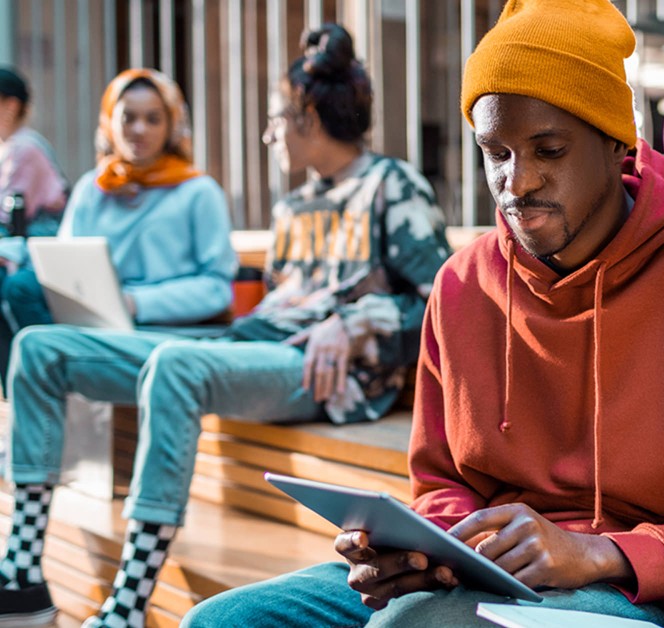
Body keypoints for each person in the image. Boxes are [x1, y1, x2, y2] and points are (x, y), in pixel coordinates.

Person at [184, 1, 664, 627]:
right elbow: (441, 483)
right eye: (496, 152)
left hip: (633, 588)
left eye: (547, 149)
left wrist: (599, 551)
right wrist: (417, 547)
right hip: (477, 575)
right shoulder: (462, 284)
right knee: (222, 622)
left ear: (614, 141)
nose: (517, 182)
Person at [0, 24, 450, 628]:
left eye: (275, 120)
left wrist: (355, 321)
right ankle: (23, 573)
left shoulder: (393, 185)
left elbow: (443, 304)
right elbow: (281, 303)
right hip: (259, 346)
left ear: (308, 120)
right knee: (38, 349)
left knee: (175, 365)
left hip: (328, 378)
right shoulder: (294, 204)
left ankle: (129, 603)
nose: (269, 134)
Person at [0, 68, 236, 389]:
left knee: (39, 356)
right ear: (110, 121)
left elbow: (217, 289)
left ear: (171, 127)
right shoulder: (93, 188)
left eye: (153, 119)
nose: (139, 129)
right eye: (128, 118)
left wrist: (135, 302)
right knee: (20, 291)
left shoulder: (198, 191)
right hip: (95, 325)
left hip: (164, 332)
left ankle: (63, 389)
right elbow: (64, 263)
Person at [0, 66, 68, 237]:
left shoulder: (24, 148)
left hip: (35, 245)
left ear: (11, 106)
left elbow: (8, 213)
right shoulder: (10, 145)